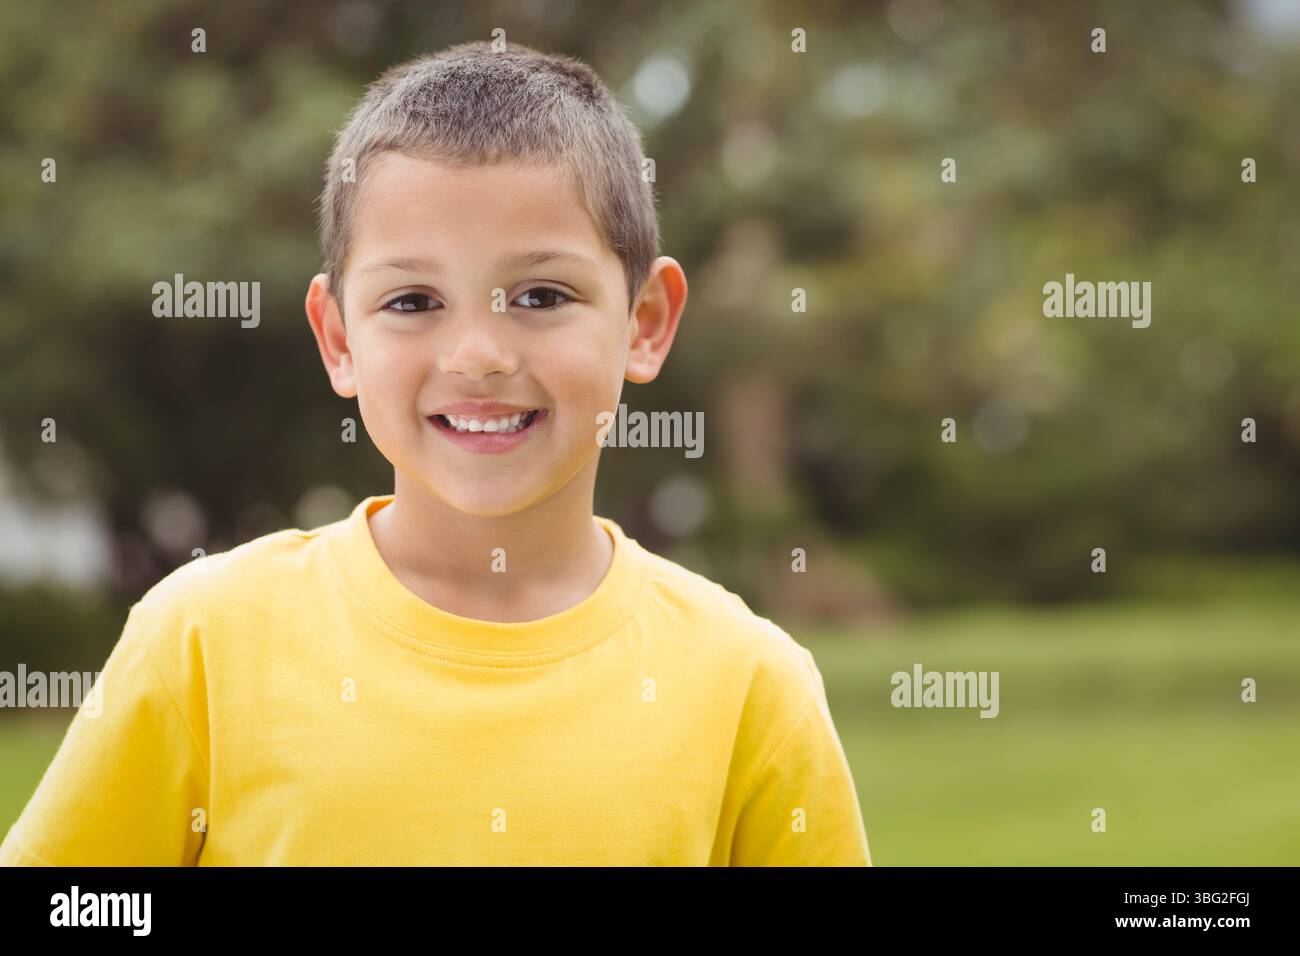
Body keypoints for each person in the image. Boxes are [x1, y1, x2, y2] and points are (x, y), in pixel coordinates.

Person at [0, 41, 870, 866]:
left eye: (540, 294)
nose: (477, 355)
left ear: (644, 324)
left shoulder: (750, 687)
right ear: (338, 339)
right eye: (414, 301)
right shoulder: (202, 642)